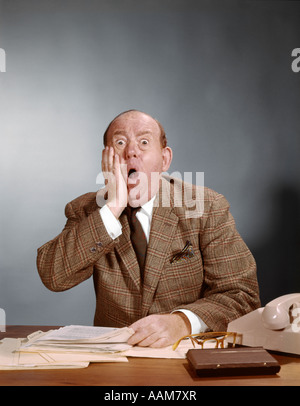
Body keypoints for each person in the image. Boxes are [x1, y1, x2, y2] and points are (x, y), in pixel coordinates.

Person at [37, 110, 260, 348]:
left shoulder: (206, 207)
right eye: (120, 142)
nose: (131, 151)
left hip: (186, 354)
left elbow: (242, 295)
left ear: (165, 159)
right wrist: (112, 207)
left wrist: (182, 322)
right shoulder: (86, 209)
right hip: (114, 361)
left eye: (144, 142)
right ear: (106, 159)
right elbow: (53, 276)